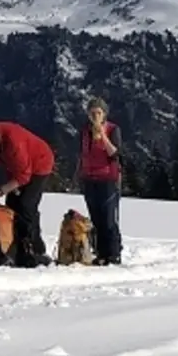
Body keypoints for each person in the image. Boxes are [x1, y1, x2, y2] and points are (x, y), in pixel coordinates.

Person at [0, 120, 56, 268]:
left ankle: (33, 250)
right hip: (14, 167)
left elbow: (23, 176)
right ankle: (12, 247)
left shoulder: (14, 143)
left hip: (39, 164)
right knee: (11, 207)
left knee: (26, 206)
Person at [78, 97, 123, 265]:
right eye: (92, 112)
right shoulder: (84, 131)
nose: (95, 116)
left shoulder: (113, 129)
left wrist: (102, 134)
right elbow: (81, 154)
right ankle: (101, 253)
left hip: (108, 179)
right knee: (95, 218)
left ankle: (113, 253)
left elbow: (115, 153)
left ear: (104, 114)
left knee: (108, 218)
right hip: (89, 178)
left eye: (98, 112)